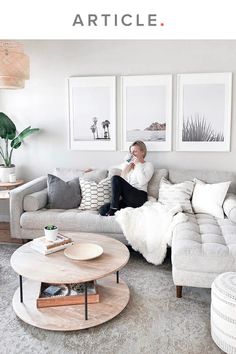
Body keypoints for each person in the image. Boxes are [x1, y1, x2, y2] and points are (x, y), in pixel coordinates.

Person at [99, 140, 154, 216]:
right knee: (103, 210)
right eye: (131, 152)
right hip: (128, 199)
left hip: (139, 197)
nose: (132, 154)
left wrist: (138, 164)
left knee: (115, 178)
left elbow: (142, 182)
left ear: (143, 152)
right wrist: (93, 169)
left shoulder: (148, 165)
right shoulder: (128, 165)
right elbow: (111, 167)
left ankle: (114, 208)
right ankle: (114, 208)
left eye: (135, 152)